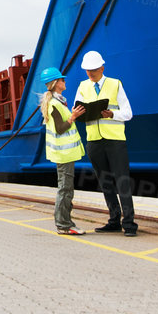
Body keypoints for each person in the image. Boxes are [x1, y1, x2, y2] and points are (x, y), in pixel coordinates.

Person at [74, 50, 136, 235]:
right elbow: (75, 109)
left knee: (122, 181)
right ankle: (114, 220)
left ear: (102, 67)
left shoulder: (115, 84)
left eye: (93, 69)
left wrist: (112, 114)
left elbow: (128, 113)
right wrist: (79, 113)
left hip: (115, 140)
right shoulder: (83, 86)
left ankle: (130, 224)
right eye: (87, 70)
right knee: (105, 182)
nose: (90, 73)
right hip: (94, 140)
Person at [39, 65, 86, 235]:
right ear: (55, 83)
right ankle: (64, 225)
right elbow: (60, 128)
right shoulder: (54, 103)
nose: (64, 81)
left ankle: (64, 223)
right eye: (62, 79)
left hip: (65, 153)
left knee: (66, 188)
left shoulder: (57, 101)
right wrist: (73, 116)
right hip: (63, 153)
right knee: (65, 189)